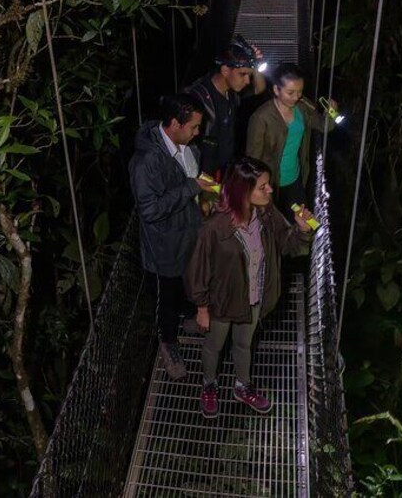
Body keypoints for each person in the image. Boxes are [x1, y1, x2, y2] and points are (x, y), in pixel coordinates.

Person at [184, 157, 315, 418]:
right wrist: (201, 306)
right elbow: (198, 271)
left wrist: (302, 230)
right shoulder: (214, 228)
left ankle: (242, 386)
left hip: (254, 297)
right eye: (263, 187)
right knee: (215, 345)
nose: (270, 190)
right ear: (243, 191)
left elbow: (288, 245)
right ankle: (209, 384)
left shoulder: (266, 214)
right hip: (222, 301)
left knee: (244, 344)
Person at [129, 94, 218, 380]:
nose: (198, 133)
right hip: (164, 247)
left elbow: (191, 181)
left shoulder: (187, 147)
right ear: (175, 124)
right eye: (193, 127)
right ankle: (168, 344)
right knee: (165, 299)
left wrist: (203, 195)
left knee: (188, 283)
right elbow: (150, 210)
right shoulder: (146, 163)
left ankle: (189, 317)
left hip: (189, 234)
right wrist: (191, 188)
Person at [245, 62, 336, 210]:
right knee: (275, 227)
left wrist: (332, 113)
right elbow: (252, 158)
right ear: (276, 89)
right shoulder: (261, 117)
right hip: (270, 184)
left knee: (303, 224)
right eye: (290, 92)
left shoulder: (302, 106)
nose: (296, 97)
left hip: (295, 179)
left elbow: (323, 126)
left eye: (299, 92)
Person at [186, 38, 267, 179]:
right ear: (225, 70)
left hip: (224, 172)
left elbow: (260, 88)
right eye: (243, 74)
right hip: (202, 176)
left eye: (250, 74)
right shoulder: (198, 98)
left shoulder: (232, 91)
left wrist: (255, 64)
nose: (247, 80)